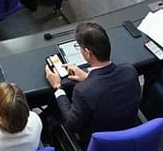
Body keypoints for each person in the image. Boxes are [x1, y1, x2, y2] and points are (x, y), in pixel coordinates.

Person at [41, 22, 143, 150]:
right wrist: (88, 78)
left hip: (98, 145)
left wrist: (57, 87)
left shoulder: (83, 90)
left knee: (53, 108)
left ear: (88, 53)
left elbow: (72, 124)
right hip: (129, 138)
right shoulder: (130, 71)